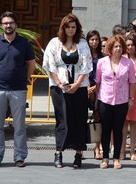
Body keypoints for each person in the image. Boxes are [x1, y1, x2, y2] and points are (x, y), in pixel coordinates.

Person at [0, 11, 35, 168]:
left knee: (19, 126)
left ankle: (19, 156)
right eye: (5, 23)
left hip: (18, 90)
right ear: (1, 25)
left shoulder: (24, 43)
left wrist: (25, 78)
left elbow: (31, 64)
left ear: (16, 25)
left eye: (11, 22)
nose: (8, 25)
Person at [43, 13, 92, 168]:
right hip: (59, 88)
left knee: (79, 119)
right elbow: (49, 64)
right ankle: (59, 152)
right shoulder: (54, 43)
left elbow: (86, 65)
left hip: (80, 87)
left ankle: (79, 154)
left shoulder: (82, 43)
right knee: (62, 119)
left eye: (73, 27)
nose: (70, 30)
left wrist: (77, 85)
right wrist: (59, 83)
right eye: (68, 27)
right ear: (63, 28)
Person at [95, 35, 136, 170]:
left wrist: (131, 99)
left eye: (120, 46)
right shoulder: (102, 62)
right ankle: (105, 158)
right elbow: (98, 81)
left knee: (118, 130)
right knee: (106, 129)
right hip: (105, 99)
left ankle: (116, 158)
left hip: (122, 100)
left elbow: (132, 82)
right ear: (110, 48)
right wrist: (96, 98)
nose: (118, 49)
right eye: (115, 46)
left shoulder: (128, 63)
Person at [121, 34, 136, 161]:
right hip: (123, 92)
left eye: (132, 45)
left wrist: (128, 76)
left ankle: (133, 151)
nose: (130, 47)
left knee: (134, 123)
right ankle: (122, 150)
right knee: (124, 122)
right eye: (128, 45)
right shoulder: (121, 58)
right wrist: (134, 76)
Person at [86, 30, 104, 160]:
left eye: (96, 40)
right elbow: (80, 72)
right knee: (81, 119)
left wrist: (94, 88)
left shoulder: (103, 57)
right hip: (83, 88)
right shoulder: (83, 55)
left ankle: (97, 148)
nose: (94, 42)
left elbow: (104, 76)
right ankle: (80, 148)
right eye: (91, 39)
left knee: (98, 119)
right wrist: (87, 88)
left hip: (98, 90)